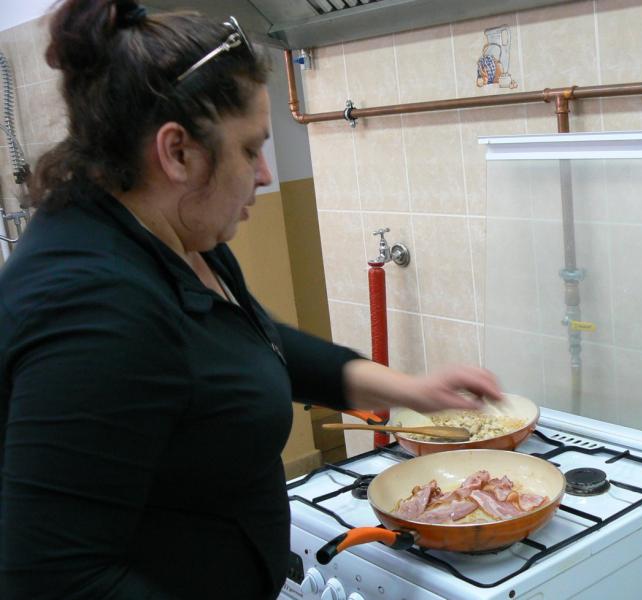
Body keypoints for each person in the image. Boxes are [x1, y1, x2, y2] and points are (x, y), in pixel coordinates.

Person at [0, 1, 502, 599]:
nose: (265, 174)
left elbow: (248, 342)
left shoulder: (176, 237)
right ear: (177, 153)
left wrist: (410, 390)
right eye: (248, 149)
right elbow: (52, 579)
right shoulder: (92, 311)